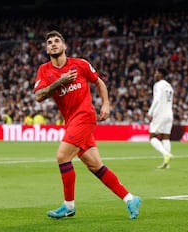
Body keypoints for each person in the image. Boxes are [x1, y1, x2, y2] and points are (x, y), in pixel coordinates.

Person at [34, 30, 141, 219]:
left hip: (85, 116)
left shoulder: (80, 64)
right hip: (71, 121)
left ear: (64, 46)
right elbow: (39, 96)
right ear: (46, 48)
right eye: (49, 42)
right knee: (95, 166)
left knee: (62, 157)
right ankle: (130, 198)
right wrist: (59, 82)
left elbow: (99, 83)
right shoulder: (44, 70)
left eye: (57, 41)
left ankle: (69, 206)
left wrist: (106, 104)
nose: (53, 44)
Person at [147, 68, 174, 169]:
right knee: (166, 137)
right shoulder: (169, 86)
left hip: (160, 113)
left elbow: (157, 99)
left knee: (152, 137)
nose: (155, 74)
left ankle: (165, 154)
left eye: (157, 73)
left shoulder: (158, 85)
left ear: (161, 75)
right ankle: (167, 163)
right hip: (169, 114)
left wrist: (150, 112)